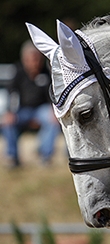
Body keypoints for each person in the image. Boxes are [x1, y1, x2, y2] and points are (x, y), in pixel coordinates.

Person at [2, 40, 60, 168]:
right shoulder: (18, 71)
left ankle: (45, 155)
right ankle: (13, 158)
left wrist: (53, 110)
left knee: (53, 120)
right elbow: (11, 92)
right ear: (25, 59)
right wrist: (9, 112)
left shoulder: (46, 72)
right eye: (32, 59)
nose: (35, 63)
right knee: (7, 122)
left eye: (37, 59)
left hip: (42, 109)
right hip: (23, 110)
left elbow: (51, 93)